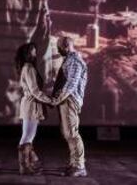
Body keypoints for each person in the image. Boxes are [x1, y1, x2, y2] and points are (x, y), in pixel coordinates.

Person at [52, 36, 88, 177]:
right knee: (68, 133)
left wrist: (58, 99)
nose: (58, 49)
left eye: (59, 47)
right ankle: (74, 163)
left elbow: (71, 85)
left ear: (66, 46)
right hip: (66, 100)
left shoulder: (74, 61)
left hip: (69, 100)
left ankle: (79, 166)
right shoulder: (69, 60)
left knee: (72, 133)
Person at [15, 42, 53, 175]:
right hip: (31, 105)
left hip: (31, 104)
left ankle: (28, 165)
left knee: (29, 136)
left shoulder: (27, 67)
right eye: (33, 51)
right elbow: (35, 91)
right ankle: (25, 167)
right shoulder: (29, 68)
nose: (35, 53)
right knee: (27, 136)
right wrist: (51, 101)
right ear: (27, 53)